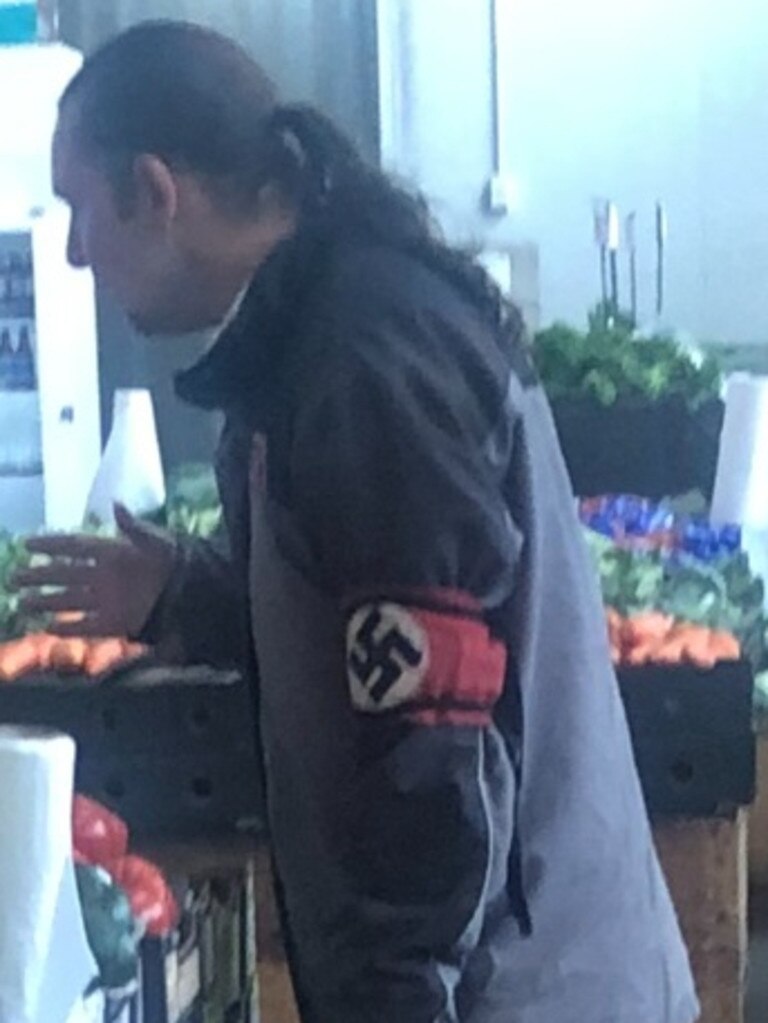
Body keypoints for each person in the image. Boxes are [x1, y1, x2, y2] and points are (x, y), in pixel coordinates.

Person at [18, 21, 699, 1023]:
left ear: (156, 192)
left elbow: (434, 749)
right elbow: (361, 635)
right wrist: (183, 593)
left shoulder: (366, 363)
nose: (75, 254)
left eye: (81, 209)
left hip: (518, 991)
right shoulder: (318, 337)